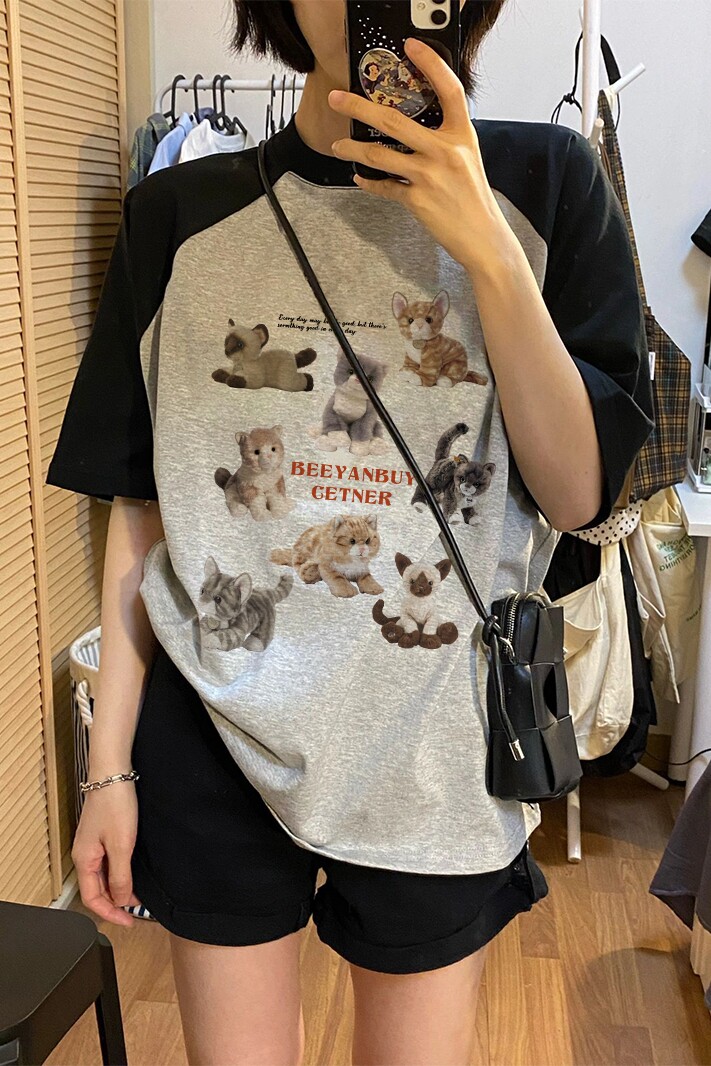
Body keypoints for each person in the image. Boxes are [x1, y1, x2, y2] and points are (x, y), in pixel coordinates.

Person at [45, 1, 654, 1063]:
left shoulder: (551, 184)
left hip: (437, 739)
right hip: (212, 725)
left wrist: (487, 249)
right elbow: (142, 506)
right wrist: (107, 768)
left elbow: (574, 496)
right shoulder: (177, 216)